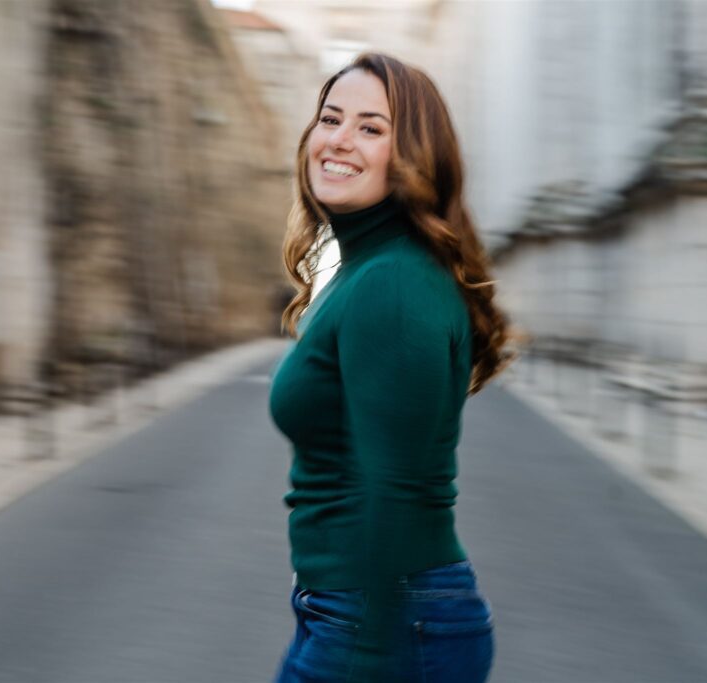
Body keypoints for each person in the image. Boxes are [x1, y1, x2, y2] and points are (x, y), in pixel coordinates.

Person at [268, 52, 519, 682]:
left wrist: (371, 652)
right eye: (330, 119)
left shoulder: (394, 283)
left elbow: (396, 492)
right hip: (358, 611)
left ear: (413, 156)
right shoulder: (367, 270)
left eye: (371, 128)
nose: (339, 140)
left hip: (383, 622)